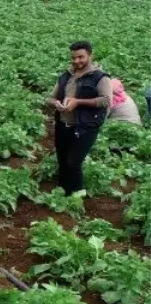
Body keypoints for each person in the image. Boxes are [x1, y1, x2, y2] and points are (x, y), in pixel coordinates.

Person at [48, 41, 111, 196]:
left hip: (85, 126)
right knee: (62, 160)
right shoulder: (66, 76)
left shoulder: (99, 77)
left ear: (90, 55)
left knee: (73, 162)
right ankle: (64, 191)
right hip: (63, 124)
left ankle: (77, 196)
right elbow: (50, 98)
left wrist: (77, 102)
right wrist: (56, 103)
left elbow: (106, 100)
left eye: (81, 57)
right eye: (73, 58)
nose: (77, 61)